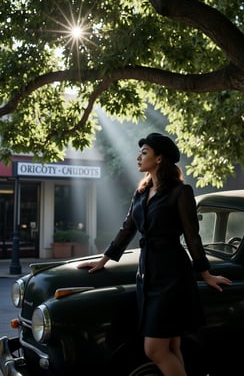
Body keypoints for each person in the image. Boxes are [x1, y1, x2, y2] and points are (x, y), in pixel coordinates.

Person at [77, 132, 232, 376]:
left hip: (173, 276)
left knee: (154, 350)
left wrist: (205, 274)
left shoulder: (181, 192)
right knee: (171, 345)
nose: (138, 157)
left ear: (159, 159)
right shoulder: (140, 193)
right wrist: (103, 259)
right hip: (146, 276)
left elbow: (192, 236)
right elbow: (127, 228)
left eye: (145, 152)